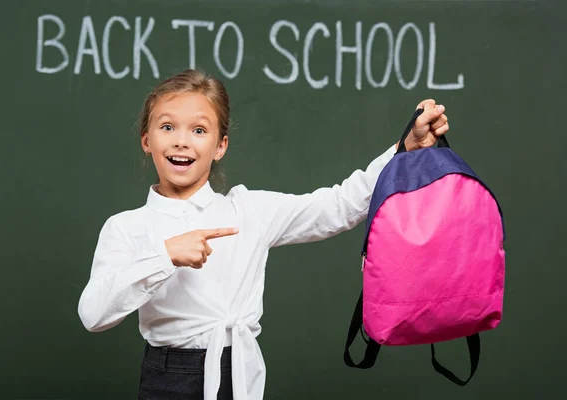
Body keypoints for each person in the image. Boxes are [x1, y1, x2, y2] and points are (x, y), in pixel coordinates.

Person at [77, 69, 450, 400]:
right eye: (167, 127)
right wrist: (165, 256)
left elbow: (337, 207)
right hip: (168, 377)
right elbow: (93, 315)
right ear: (147, 140)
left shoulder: (249, 210)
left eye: (199, 130)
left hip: (236, 371)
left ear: (220, 145)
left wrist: (404, 150)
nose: (181, 141)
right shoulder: (126, 227)